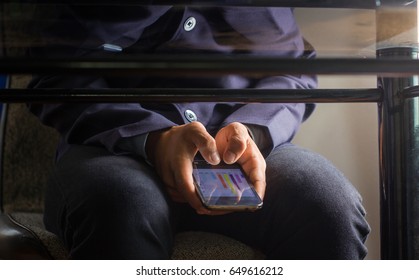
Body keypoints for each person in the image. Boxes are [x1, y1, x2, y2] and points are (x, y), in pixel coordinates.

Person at [28, 4, 370, 259]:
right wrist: (152, 138)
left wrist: (252, 131)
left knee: (329, 204)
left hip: (245, 141)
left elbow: (294, 71)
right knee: (121, 206)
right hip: (112, 149)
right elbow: (52, 73)